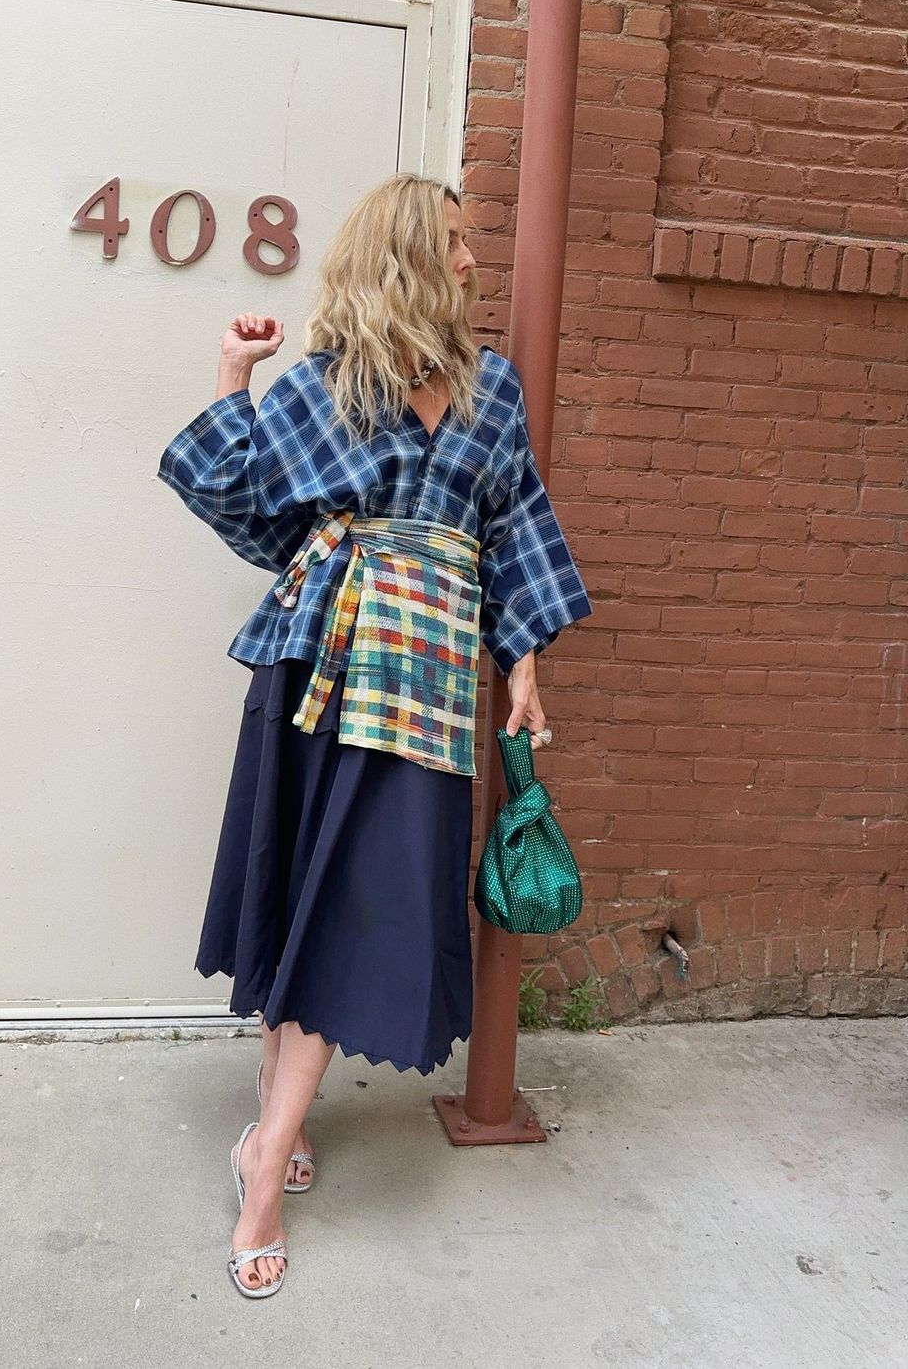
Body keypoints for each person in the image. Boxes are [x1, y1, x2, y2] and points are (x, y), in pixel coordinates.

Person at [157, 173, 591, 1298]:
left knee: (354, 901)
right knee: (309, 885)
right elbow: (235, 494)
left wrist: (524, 662)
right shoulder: (333, 382)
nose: (472, 261)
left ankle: (270, 1128)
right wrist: (233, 376)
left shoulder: (493, 390)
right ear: (403, 257)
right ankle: (267, 1159)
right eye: (452, 242)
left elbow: (516, 525)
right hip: (324, 662)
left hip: (431, 681)